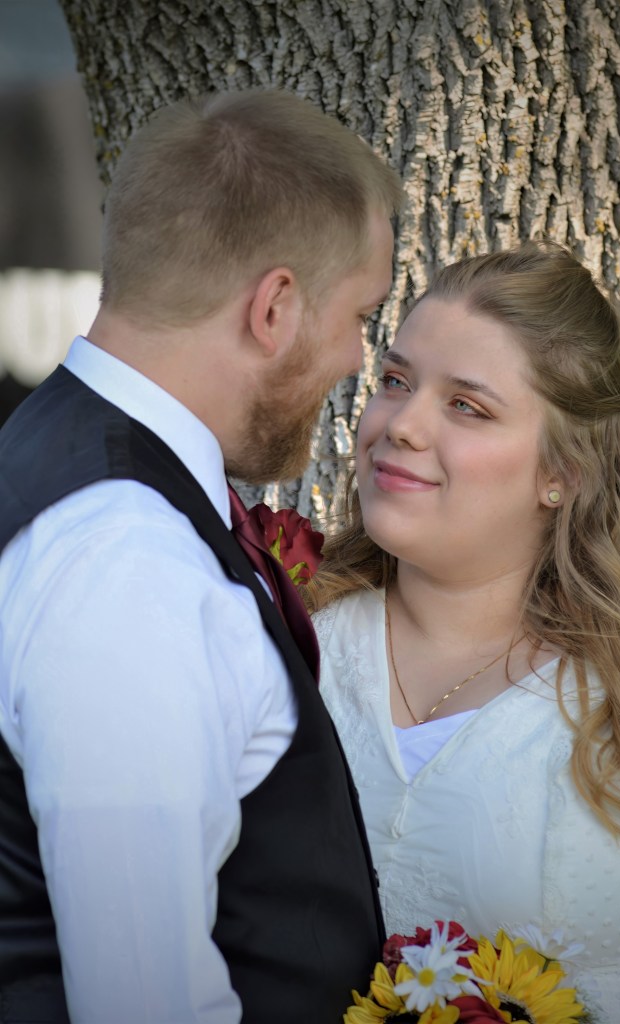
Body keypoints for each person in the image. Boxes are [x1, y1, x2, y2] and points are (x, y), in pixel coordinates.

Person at [0, 88, 401, 1022]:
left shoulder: (55, 453)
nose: (354, 359)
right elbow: (144, 997)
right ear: (274, 307)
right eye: (359, 317)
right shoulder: (128, 565)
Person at [307, 241, 620, 1024]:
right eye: (395, 381)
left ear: (565, 472)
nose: (400, 425)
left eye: (466, 406)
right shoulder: (294, 638)